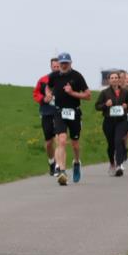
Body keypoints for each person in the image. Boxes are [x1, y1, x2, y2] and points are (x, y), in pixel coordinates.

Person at [45, 52, 90, 185]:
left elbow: (88, 95)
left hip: (74, 112)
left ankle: (76, 162)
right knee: (62, 140)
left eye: (66, 63)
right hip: (59, 112)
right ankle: (62, 171)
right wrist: (48, 94)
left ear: (70, 63)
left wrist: (72, 93)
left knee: (75, 144)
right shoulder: (54, 76)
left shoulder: (77, 76)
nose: (64, 65)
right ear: (58, 64)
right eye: (62, 63)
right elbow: (48, 87)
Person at [95, 71, 128, 176]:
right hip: (109, 122)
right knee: (111, 145)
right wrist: (105, 105)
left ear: (119, 79)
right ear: (109, 80)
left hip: (121, 121)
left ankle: (119, 165)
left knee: (118, 141)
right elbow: (97, 106)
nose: (114, 79)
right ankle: (112, 163)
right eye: (112, 78)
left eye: (116, 78)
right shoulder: (104, 93)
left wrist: (127, 106)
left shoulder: (125, 92)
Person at [33, 58, 61, 175]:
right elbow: (36, 93)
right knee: (49, 142)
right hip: (47, 113)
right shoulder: (43, 80)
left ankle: (59, 166)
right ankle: (51, 162)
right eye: (54, 67)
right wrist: (43, 99)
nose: (56, 69)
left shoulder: (66, 79)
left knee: (59, 139)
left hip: (60, 113)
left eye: (58, 66)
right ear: (51, 67)